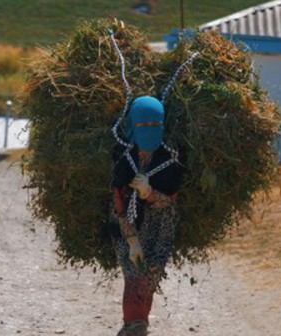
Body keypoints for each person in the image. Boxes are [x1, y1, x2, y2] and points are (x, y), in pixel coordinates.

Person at [110, 96, 184, 336]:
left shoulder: (170, 158)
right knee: (134, 275)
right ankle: (133, 325)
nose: (150, 131)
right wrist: (132, 240)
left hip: (161, 227)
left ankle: (140, 325)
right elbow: (118, 201)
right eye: (144, 126)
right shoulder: (124, 157)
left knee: (150, 276)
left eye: (155, 125)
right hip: (128, 225)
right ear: (133, 126)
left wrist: (150, 194)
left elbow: (172, 200)